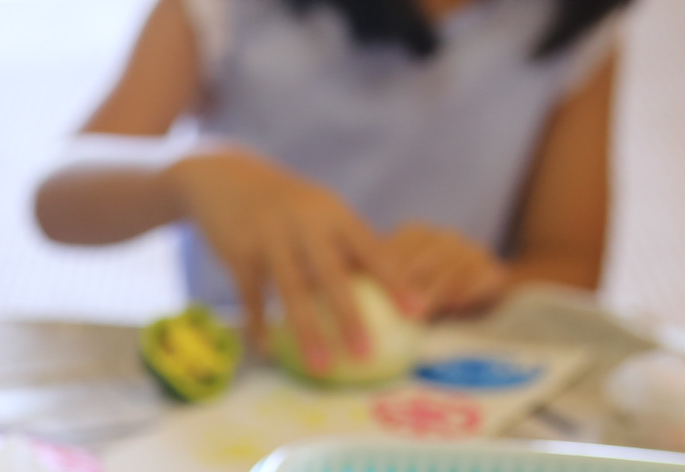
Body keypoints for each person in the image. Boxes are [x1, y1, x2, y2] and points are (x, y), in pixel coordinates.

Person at [33, 0, 626, 375]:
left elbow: (571, 259)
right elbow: (55, 196)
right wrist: (190, 172)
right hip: (243, 373)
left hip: (435, 377)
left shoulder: (573, 23)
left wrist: (484, 280)